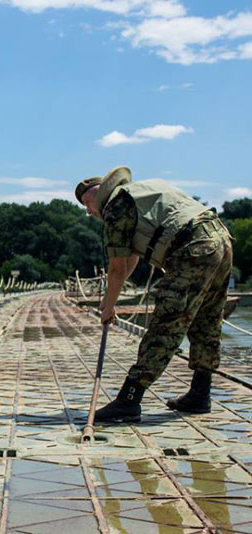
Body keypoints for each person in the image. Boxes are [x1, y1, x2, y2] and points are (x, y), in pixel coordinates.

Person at [76, 166, 233, 423]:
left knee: (166, 324)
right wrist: (110, 299)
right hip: (220, 240)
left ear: (98, 193)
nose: (88, 211)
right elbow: (130, 262)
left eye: (87, 203)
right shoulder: (138, 194)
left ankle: (129, 400)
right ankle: (200, 394)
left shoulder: (115, 207)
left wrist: (108, 308)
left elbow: (115, 268)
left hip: (192, 247)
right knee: (207, 320)